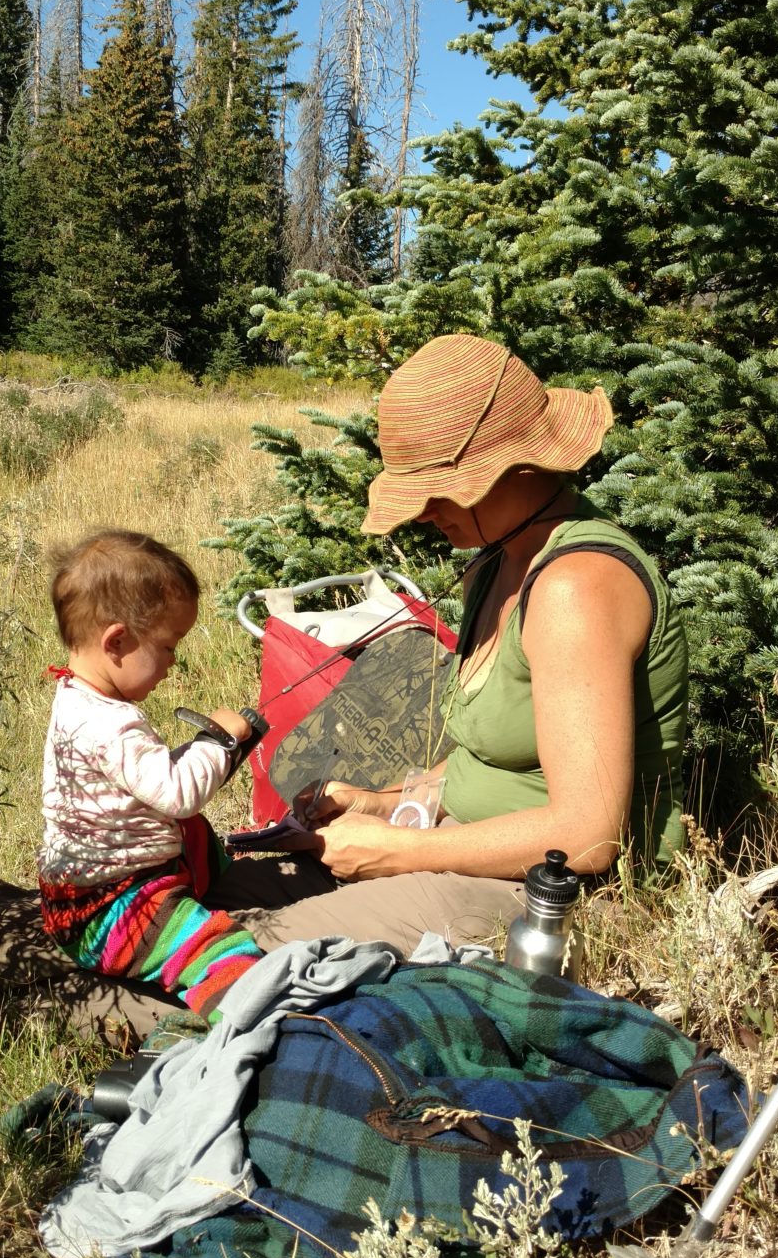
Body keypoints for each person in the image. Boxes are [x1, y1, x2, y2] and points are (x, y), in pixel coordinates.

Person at [205, 333, 689, 956]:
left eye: (440, 491)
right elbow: (491, 760)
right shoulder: (496, 563)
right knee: (201, 899)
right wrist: (380, 805)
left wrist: (399, 854)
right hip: (461, 851)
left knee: (233, 952)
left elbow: (589, 833)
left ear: (517, 467)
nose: (427, 513)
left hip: (546, 896)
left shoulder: (576, 585)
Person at [35, 530, 265, 1021]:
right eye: (167, 645)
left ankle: (206, 880)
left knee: (199, 839)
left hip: (95, 885)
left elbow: (145, 782)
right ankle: (241, 1034)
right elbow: (178, 794)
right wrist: (218, 740)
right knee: (227, 958)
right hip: (110, 909)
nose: (173, 662)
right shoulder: (110, 724)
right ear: (116, 641)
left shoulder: (77, 699)